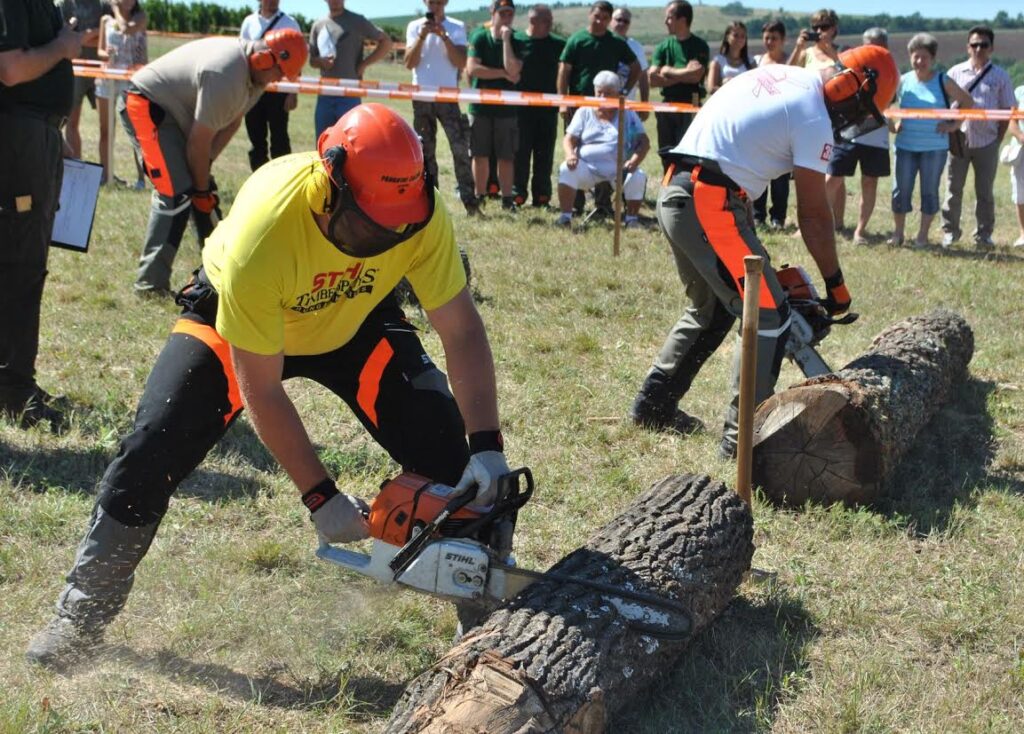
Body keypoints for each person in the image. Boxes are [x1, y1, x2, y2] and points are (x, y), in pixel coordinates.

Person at [26, 103, 512, 673]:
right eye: (367, 224)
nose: (385, 237)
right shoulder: (268, 227)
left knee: (453, 460)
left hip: (354, 316)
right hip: (237, 320)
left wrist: (486, 446)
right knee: (151, 449)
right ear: (331, 184)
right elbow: (261, 386)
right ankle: (80, 617)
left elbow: (461, 329)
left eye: (396, 227)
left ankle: (483, 617)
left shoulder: (418, 214)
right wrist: (320, 495)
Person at [629, 45, 898, 458]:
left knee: (714, 308)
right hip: (708, 199)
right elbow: (813, 216)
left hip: (678, 189)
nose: (854, 120)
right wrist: (835, 286)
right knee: (768, 315)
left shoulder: (786, 77)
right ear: (850, 86)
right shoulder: (813, 115)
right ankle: (742, 442)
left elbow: (739, 152)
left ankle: (654, 405)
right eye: (860, 109)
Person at [120, 29, 308, 295]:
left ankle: (214, 276)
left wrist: (204, 176)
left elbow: (232, 123)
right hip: (145, 104)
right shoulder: (226, 74)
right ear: (263, 59)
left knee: (203, 190)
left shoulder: (256, 81)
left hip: (174, 114)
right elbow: (198, 142)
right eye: (279, 71)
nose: (279, 79)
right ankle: (150, 285)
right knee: (176, 193)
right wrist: (199, 188)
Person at [0, 0, 82, 430]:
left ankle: (14, 383)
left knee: (24, 262)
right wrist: (64, 46)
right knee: (20, 265)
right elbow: (10, 69)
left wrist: (54, 132)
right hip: (20, 135)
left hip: (37, 132)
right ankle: (14, 390)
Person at [887, 33, 972, 248]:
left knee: (929, 192)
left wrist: (953, 125)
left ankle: (922, 237)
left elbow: (967, 102)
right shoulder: (903, 81)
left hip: (935, 149)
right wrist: (893, 124)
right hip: (905, 146)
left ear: (932, 58)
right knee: (900, 191)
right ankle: (898, 235)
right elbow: (885, 103)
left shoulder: (943, 80)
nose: (919, 61)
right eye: (915, 56)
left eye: (924, 57)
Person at [940, 25, 1016, 249]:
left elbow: (1008, 111)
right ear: (967, 47)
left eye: (983, 45)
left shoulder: (1001, 76)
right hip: (959, 141)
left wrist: (997, 139)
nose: (979, 49)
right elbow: (944, 107)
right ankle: (950, 233)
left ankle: (984, 235)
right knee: (953, 189)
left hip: (987, 142)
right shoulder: (954, 73)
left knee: (985, 192)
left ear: (991, 48)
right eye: (974, 45)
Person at [405, 0, 477, 216]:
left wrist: (444, 36)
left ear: (445, 3)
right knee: (425, 153)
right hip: (422, 98)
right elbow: (409, 62)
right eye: (431, 2)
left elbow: (461, 63)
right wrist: (422, 36)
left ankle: (470, 204)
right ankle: (431, 205)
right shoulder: (414, 27)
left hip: (448, 98)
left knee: (460, 149)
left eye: (438, 2)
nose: (434, 6)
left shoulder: (456, 27)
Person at [555, 70, 649, 228]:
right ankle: (565, 217)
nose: (602, 97)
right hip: (588, 168)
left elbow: (644, 142)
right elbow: (569, 138)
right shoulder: (584, 111)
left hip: (620, 170)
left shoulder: (628, 113)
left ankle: (632, 219)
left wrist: (634, 161)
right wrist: (570, 154)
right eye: (599, 93)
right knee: (565, 169)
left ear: (618, 93)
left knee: (638, 176)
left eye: (608, 93)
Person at [824, 27, 890, 244]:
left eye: (878, 44)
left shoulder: (890, 72)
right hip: (848, 133)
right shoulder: (849, 66)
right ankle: (820, 223)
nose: (873, 48)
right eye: (868, 44)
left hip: (876, 136)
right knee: (831, 178)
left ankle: (860, 231)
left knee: (869, 182)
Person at [466, 0, 523, 212]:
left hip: (507, 108)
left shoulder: (516, 39)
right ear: (493, 12)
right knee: (479, 154)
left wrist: (506, 41)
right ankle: (479, 195)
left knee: (506, 156)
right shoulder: (479, 36)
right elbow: (473, 69)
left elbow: (514, 70)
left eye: (510, 13)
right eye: (503, 13)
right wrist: (501, 73)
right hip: (480, 107)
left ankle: (507, 198)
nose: (506, 17)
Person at [309, 0, 392, 138]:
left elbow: (386, 42)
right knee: (323, 140)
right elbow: (312, 60)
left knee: (350, 143)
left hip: (350, 93)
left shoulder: (357, 21)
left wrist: (364, 64)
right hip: (325, 94)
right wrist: (320, 62)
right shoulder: (318, 25)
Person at [512, 4, 565, 208]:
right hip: (520, 110)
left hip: (548, 110)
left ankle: (542, 196)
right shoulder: (517, 41)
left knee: (545, 154)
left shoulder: (559, 44)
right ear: (533, 21)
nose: (551, 24)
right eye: (547, 21)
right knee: (520, 153)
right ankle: (518, 193)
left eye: (551, 20)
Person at [239, 0, 301, 172]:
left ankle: (282, 180)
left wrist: (293, 92)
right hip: (253, 89)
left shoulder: (290, 23)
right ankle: (258, 181)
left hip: (279, 89)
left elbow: (297, 61)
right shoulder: (248, 22)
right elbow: (242, 55)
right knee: (256, 140)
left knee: (280, 140)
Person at [649, 0, 708, 171]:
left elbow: (696, 76)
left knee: (689, 151)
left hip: (691, 103)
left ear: (682, 20)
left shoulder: (699, 45)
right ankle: (668, 186)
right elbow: (652, 78)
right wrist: (683, 73)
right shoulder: (663, 47)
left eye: (669, 17)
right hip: (667, 104)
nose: (665, 21)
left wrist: (667, 71)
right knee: (666, 149)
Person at [96, 0, 146, 188]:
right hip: (107, 78)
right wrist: (105, 52)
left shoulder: (140, 18)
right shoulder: (105, 20)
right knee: (105, 130)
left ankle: (142, 179)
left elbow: (125, 29)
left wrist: (116, 8)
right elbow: (100, 50)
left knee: (136, 131)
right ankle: (106, 176)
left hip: (131, 79)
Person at [56, 0, 107, 161]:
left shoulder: (102, 5)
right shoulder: (65, 5)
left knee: (106, 127)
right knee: (72, 123)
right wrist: (97, 32)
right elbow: (63, 38)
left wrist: (81, 37)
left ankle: (106, 173)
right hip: (74, 70)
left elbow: (110, 38)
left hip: (101, 72)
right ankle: (76, 165)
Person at [752, 19, 789, 229]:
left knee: (781, 175)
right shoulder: (756, 61)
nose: (769, 42)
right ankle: (758, 215)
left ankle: (778, 217)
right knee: (760, 172)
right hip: (760, 124)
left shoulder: (791, 61)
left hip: (783, 125)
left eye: (774, 38)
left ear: (783, 40)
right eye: (766, 37)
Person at [610, 6, 649, 113]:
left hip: (627, 105)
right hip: (603, 103)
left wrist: (644, 105)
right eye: (618, 20)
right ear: (610, 21)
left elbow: (643, 77)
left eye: (626, 21)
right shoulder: (602, 43)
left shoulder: (636, 46)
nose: (622, 23)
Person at [707, 21, 753, 95]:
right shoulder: (717, 61)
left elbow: (756, 87)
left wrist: (735, 84)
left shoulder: (751, 62)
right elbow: (711, 89)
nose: (739, 39)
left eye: (743, 36)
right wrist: (724, 85)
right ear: (727, 37)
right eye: (735, 35)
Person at [1011, 85, 1024, 247]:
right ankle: (1023, 234)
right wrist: (1020, 136)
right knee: (1020, 192)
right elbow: (1011, 120)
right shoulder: (1019, 91)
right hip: (1021, 148)